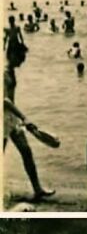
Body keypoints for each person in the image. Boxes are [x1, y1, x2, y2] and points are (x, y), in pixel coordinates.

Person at [4, 66, 55, 201]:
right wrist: (24, 117)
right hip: (3, 118)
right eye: (20, 57)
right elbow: (4, 100)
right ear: (11, 54)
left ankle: (37, 189)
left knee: (26, 151)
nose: (22, 61)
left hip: (11, 118)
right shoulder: (3, 71)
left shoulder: (11, 71)